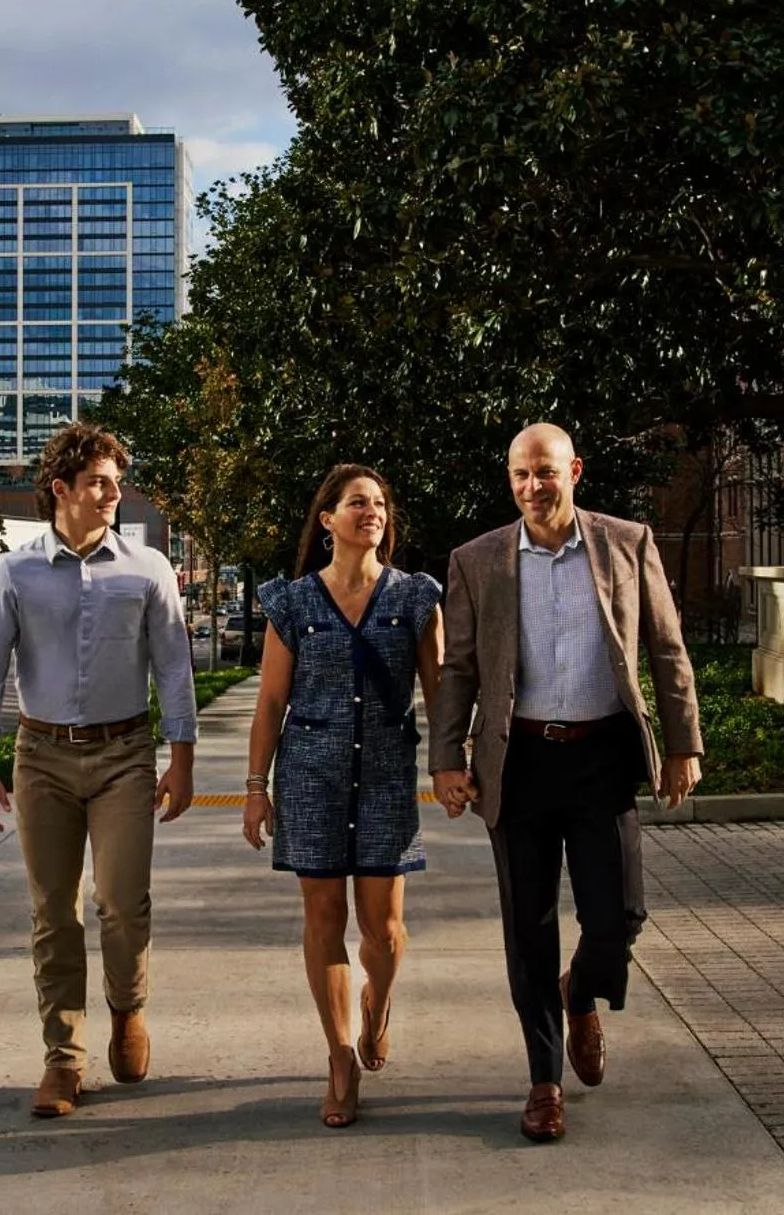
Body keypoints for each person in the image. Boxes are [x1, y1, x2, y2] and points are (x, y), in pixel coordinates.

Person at [429, 423, 704, 1143]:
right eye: (520, 474)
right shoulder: (477, 560)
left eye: (544, 472)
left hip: (602, 756)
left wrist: (683, 744)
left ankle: (579, 992)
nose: (532, 487)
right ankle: (544, 1080)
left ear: (574, 470)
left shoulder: (626, 542)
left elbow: (668, 649)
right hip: (518, 764)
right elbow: (457, 668)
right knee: (529, 927)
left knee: (620, 917)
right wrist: (447, 758)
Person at [0, 423, 199, 1119]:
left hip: (126, 754)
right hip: (43, 759)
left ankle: (128, 1007)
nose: (113, 493)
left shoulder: (147, 569)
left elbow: (175, 670)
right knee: (53, 913)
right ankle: (63, 1058)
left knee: (122, 903)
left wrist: (182, 758)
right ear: (60, 490)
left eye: (117, 482)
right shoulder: (13, 572)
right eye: (99, 481)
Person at [242, 465, 444, 1128]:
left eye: (380, 502)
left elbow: (441, 694)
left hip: (387, 777)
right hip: (310, 778)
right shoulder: (294, 603)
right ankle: (338, 1058)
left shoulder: (415, 597)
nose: (373, 511)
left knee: (383, 930)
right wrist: (254, 788)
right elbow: (271, 700)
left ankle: (377, 1003)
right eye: (358, 502)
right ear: (326, 519)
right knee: (324, 920)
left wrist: (452, 763)